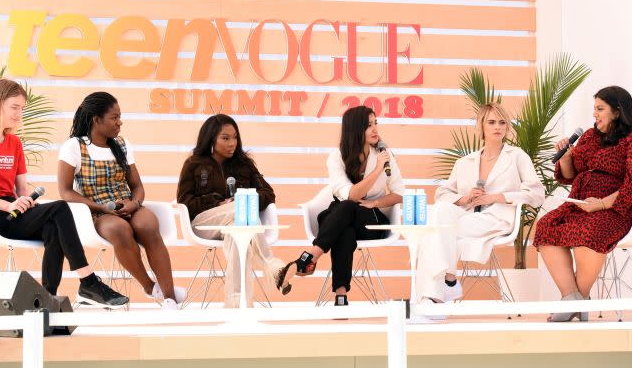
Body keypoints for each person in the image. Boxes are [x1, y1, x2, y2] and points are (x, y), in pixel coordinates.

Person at [0, 79, 128, 307]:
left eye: (22, 108)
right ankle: (88, 281)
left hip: (15, 212)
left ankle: (48, 298)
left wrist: (25, 199)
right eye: (14, 107)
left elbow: (22, 189)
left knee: (53, 224)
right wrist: (8, 206)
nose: (19, 113)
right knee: (60, 208)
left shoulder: (14, 143)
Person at [534, 86, 632, 322]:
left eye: (600, 109)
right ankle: (573, 299)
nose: (595, 114)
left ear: (618, 111)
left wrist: (601, 204)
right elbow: (570, 175)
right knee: (546, 227)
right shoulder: (590, 137)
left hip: (615, 208)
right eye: (594, 109)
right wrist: (567, 157)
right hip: (580, 204)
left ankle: (576, 300)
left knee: (590, 230)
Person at [57, 92, 185, 309]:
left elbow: (137, 186)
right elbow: (65, 192)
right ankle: (149, 287)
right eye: (114, 118)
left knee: (148, 224)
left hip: (127, 204)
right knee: (119, 229)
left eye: (120, 117)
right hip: (97, 211)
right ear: (96, 120)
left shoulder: (122, 145)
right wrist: (101, 208)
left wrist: (134, 204)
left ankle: (170, 298)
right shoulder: (74, 146)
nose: (120, 122)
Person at [416, 103, 544, 303]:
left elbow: (536, 194)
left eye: (502, 122)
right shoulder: (465, 162)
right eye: (491, 122)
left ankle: (439, 290)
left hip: (497, 219)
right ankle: (444, 286)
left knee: (433, 232)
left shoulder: (517, 156)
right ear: (481, 126)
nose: (497, 127)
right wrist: (465, 197)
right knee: (440, 212)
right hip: (468, 216)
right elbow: (442, 194)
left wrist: (497, 197)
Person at [280, 105, 404, 307]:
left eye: (376, 123)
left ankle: (308, 258)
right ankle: (341, 297)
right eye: (368, 125)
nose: (375, 130)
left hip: (371, 222)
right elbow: (351, 195)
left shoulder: (384, 155)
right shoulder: (337, 157)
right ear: (355, 129)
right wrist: (376, 172)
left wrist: (376, 201)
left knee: (344, 209)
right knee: (344, 228)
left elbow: (401, 194)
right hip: (343, 219)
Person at [176, 114, 286, 308]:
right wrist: (218, 203)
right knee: (239, 210)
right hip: (204, 224)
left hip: (237, 222)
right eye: (225, 138)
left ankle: (238, 304)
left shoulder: (244, 164)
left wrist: (244, 198)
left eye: (235, 137)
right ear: (211, 139)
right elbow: (185, 201)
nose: (232, 143)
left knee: (238, 232)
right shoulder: (194, 164)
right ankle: (270, 264)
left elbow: (268, 194)